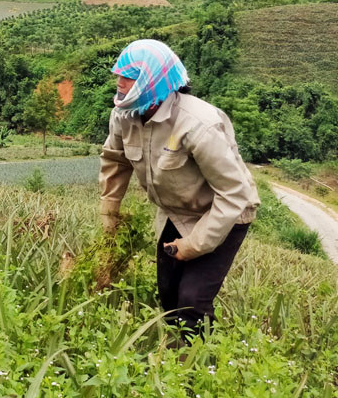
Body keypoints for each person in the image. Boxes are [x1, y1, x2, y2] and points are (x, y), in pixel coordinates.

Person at [98, 39, 259, 339]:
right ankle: (176, 354)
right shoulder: (124, 115)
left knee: (192, 301)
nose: (119, 83)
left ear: (152, 81)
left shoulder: (199, 124)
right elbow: (115, 162)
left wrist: (195, 245)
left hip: (224, 212)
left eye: (128, 77)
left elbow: (233, 193)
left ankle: (203, 366)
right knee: (169, 295)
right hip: (175, 211)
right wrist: (110, 213)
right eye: (118, 75)